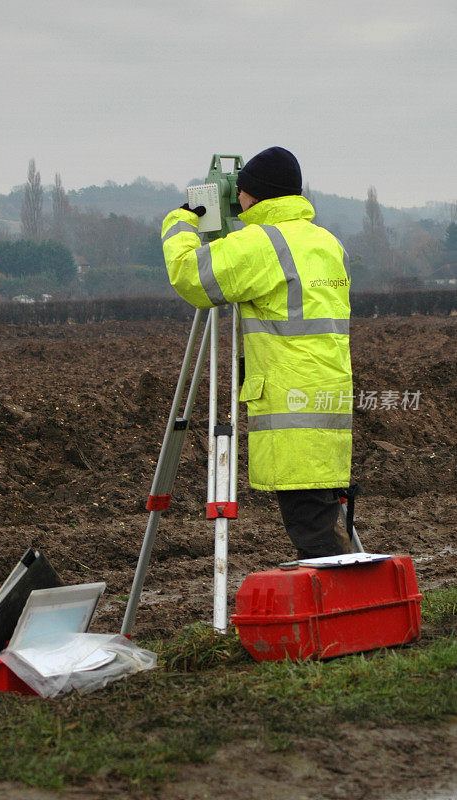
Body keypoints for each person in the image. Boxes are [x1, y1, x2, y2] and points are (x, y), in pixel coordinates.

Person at [161, 147, 353, 558]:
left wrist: (180, 220)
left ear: (251, 195)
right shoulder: (327, 243)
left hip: (293, 414)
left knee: (317, 542)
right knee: (322, 522)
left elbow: (191, 276)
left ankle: (346, 618)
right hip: (329, 406)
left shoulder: (261, 245)